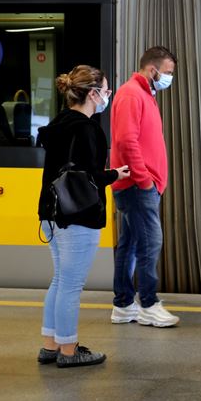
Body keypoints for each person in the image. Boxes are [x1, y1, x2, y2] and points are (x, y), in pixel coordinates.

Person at [36, 65, 130, 367]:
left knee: (60, 279)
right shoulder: (87, 128)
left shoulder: (59, 123)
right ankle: (68, 350)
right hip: (77, 214)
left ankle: (50, 344)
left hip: (50, 212)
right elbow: (87, 176)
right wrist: (114, 174)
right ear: (92, 94)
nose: (108, 96)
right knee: (71, 284)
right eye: (105, 90)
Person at [109, 46, 180, 327]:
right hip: (137, 186)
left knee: (130, 243)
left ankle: (124, 305)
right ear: (153, 70)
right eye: (168, 73)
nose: (169, 78)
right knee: (150, 242)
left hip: (138, 185)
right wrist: (144, 179)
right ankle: (148, 303)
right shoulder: (131, 94)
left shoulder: (143, 94)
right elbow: (127, 142)